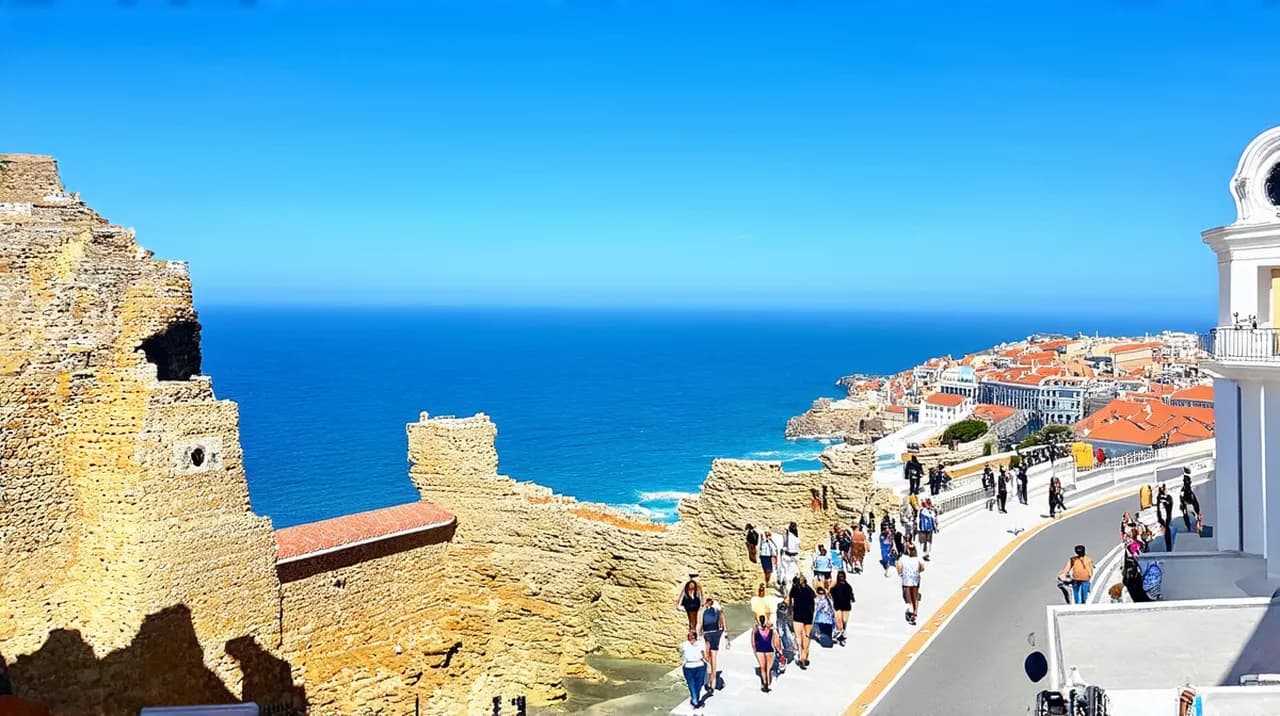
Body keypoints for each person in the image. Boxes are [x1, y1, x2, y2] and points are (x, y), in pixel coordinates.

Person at [699, 596, 726, 697]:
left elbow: (701, 623)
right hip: (711, 634)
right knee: (710, 658)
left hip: (712, 634)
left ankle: (712, 684)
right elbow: (701, 623)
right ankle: (712, 683)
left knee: (711, 659)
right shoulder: (709, 611)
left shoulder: (712, 611)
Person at [787, 574, 816, 669]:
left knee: (798, 638)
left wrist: (789, 611)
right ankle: (804, 657)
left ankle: (801, 657)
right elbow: (814, 598)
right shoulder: (809, 590)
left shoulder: (795, 589)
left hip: (798, 615)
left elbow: (789, 601)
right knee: (806, 637)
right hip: (808, 616)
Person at [750, 615, 781, 693]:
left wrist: (754, 650)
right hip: (769, 650)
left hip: (759, 650)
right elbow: (776, 643)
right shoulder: (771, 630)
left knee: (762, 667)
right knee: (768, 669)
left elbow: (753, 643)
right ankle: (769, 683)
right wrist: (780, 652)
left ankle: (764, 683)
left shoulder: (755, 629)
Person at [897, 542, 925, 625]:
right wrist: (917, 572)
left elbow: (899, 569)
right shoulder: (917, 558)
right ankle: (914, 612)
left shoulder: (903, 558)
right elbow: (922, 568)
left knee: (908, 597)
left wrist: (901, 574)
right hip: (915, 579)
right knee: (915, 597)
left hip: (906, 580)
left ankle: (910, 611)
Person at [680, 630, 708, 709]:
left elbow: (703, 654)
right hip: (689, 666)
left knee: (697, 684)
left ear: (694, 636)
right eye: (689, 636)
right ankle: (695, 699)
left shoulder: (699, 644)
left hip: (698, 665)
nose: (690, 637)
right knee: (692, 684)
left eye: (691, 636)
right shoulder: (684, 644)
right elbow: (682, 654)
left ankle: (695, 699)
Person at [830, 570, 854, 646]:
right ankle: (841, 635)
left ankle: (842, 632)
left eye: (842, 576)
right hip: (837, 605)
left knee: (844, 621)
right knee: (839, 621)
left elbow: (851, 595)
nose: (841, 577)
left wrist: (852, 598)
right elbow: (830, 593)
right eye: (840, 576)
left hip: (846, 605)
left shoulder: (848, 586)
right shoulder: (835, 587)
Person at [780, 523, 801, 587]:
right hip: (793, 556)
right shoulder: (795, 536)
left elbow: (788, 547)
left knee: (787, 572)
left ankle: (787, 586)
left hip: (789, 556)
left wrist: (783, 549)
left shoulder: (790, 536)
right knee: (791, 572)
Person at [1157, 484, 1174, 551]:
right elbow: (1158, 509)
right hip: (1162, 519)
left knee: (1168, 534)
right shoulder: (1158, 498)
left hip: (1166, 519)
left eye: (1163, 488)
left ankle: (1169, 549)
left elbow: (1170, 504)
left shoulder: (1168, 497)